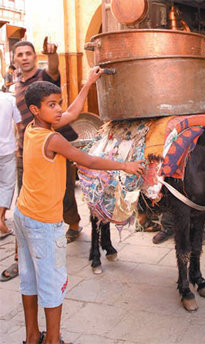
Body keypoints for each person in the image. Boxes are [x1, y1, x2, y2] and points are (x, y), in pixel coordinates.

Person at [15, 76, 144, 344]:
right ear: (37, 110)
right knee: (52, 284)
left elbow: (73, 113)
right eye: (52, 105)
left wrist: (88, 83)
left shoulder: (32, 128)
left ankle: (31, 337)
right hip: (43, 223)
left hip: (23, 215)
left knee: (29, 280)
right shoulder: (52, 139)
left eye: (59, 103)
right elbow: (88, 160)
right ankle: (52, 340)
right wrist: (124, 166)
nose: (59, 109)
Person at [0, 38, 80, 282]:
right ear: (14, 60)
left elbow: (55, 70)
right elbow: (18, 120)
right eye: (19, 54)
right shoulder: (16, 86)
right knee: (23, 201)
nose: (24, 57)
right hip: (27, 149)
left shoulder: (44, 76)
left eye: (28, 53)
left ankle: (74, 225)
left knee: (65, 192)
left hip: (54, 145)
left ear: (35, 56)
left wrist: (52, 54)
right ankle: (18, 258)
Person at [0, 91, 21, 240]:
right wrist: (20, 145)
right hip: (6, 149)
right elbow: (20, 124)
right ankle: (0, 219)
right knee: (7, 185)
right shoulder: (8, 99)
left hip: (7, 150)